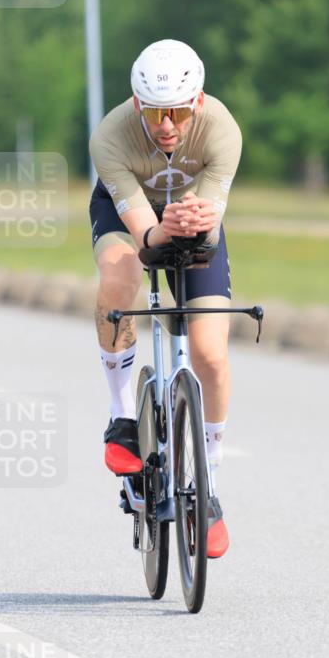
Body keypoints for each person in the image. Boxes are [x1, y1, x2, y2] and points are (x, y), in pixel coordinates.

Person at [89, 39, 242, 559]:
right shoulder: (111, 136)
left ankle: (211, 485)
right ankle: (124, 415)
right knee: (120, 273)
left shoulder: (222, 129)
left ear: (197, 102)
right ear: (137, 104)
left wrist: (192, 223)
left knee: (212, 354)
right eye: (154, 112)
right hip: (130, 216)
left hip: (196, 217)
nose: (166, 124)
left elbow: (208, 223)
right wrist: (159, 230)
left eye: (178, 110)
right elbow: (145, 240)